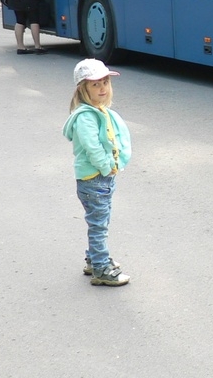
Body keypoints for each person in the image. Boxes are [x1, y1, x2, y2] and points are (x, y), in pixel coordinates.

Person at [63, 58, 132, 287]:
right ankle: (101, 269)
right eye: (95, 84)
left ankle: (94, 259)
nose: (102, 88)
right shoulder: (86, 117)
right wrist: (106, 167)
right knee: (99, 225)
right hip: (94, 179)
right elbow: (92, 146)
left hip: (101, 179)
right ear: (83, 89)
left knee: (100, 221)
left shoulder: (99, 111)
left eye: (105, 82)